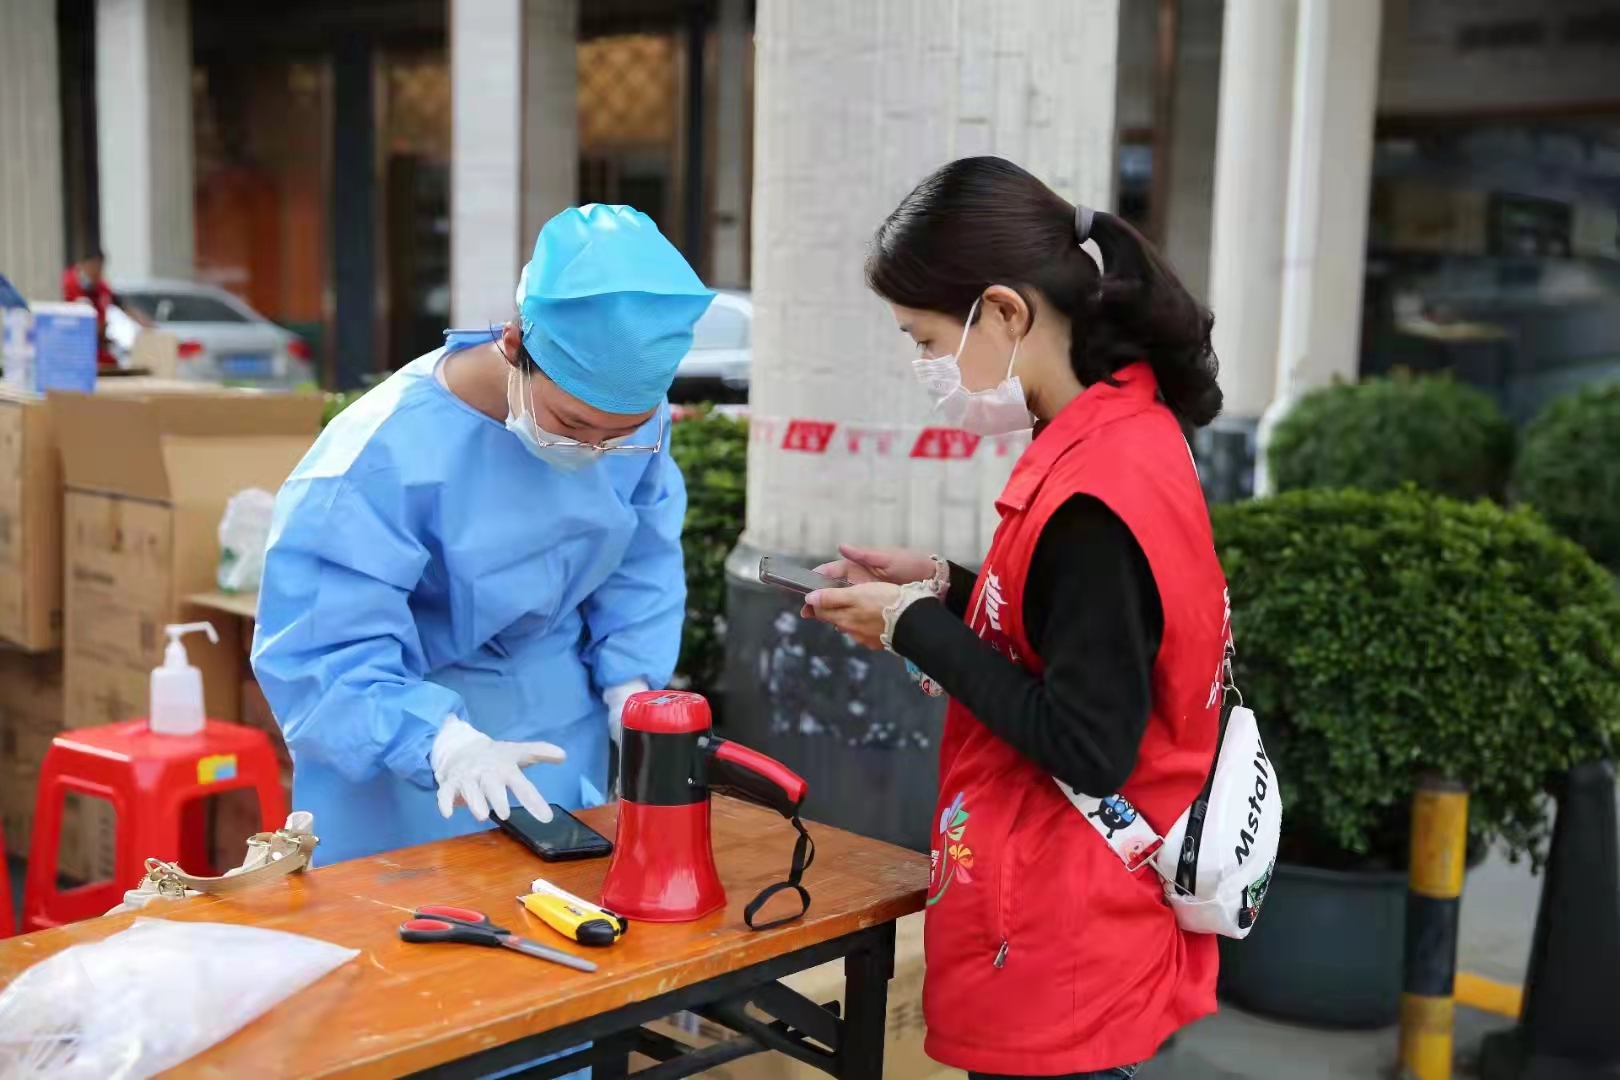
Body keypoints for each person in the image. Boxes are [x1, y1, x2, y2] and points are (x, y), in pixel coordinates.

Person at [804, 157, 1231, 1080]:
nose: (926, 369)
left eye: (925, 340)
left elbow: (1086, 742)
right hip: (1079, 919)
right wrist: (949, 587)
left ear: (1004, 311)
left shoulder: (1096, 493)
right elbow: (1080, 631)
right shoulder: (1121, 429)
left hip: (1064, 937)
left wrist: (912, 627)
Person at [251, 204, 713, 867]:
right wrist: (441, 743)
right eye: (573, 425)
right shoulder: (376, 458)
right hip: (397, 749)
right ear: (516, 343)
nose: (595, 452)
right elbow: (321, 647)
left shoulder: (628, 422)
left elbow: (642, 558)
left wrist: (631, 685)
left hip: (559, 722)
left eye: (621, 435)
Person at [60, 249, 147, 369]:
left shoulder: (101, 287)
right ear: (83, 265)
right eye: (94, 267)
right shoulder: (68, 284)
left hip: (97, 345)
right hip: (74, 345)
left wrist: (145, 324)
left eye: (100, 268)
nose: (97, 273)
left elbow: (121, 304)